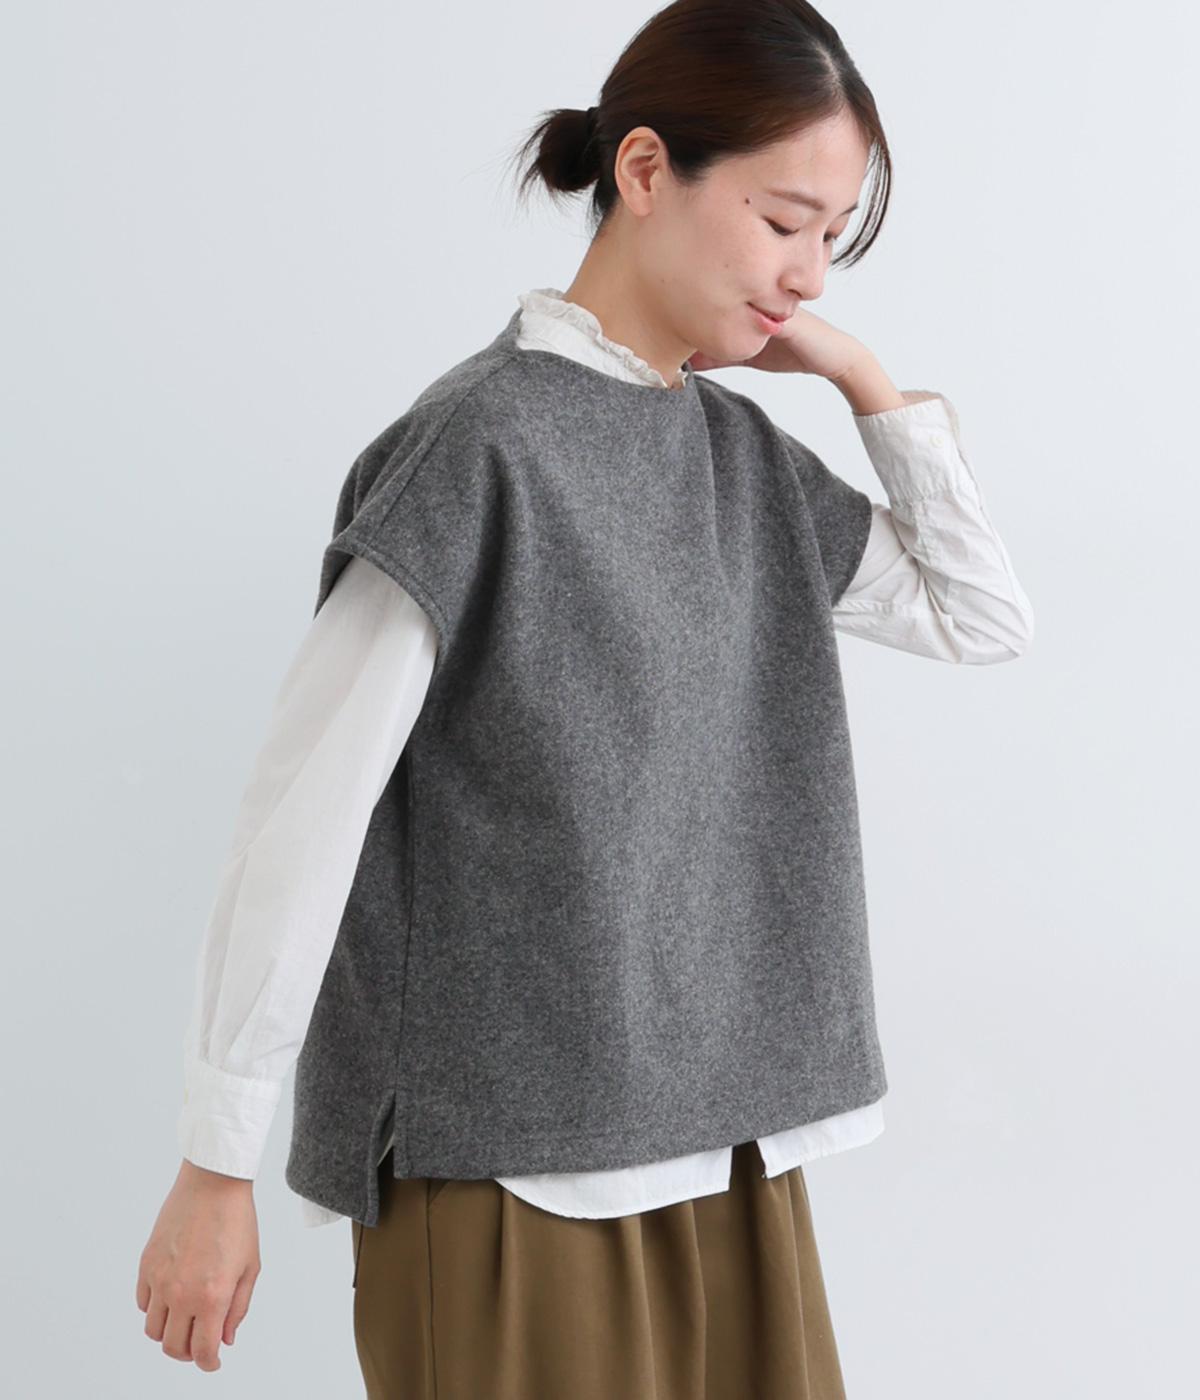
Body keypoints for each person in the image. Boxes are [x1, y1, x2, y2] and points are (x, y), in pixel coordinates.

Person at [135, 1, 1035, 1394]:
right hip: (514, 1175)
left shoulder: (739, 454)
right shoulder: (475, 451)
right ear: (645, 170)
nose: (808, 274)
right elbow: (298, 823)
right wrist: (216, 1162)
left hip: (735, 1151)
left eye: (834, 238)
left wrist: (861, 380)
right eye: (784, 219)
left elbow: (979, 616)